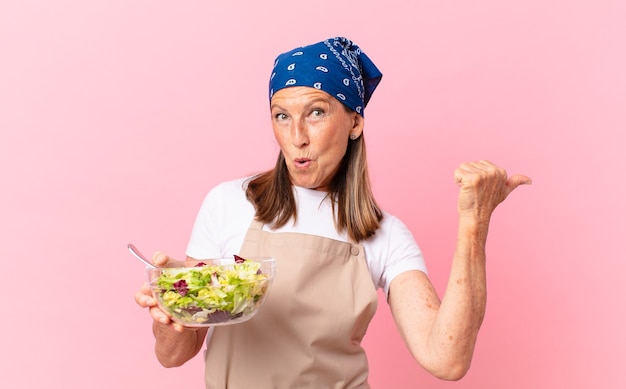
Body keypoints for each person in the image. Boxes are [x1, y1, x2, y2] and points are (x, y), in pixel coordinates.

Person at [135, 36, 531, 388]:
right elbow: (173, 355)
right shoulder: (229, 203)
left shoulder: (385, 234)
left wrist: (474, 224)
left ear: (354, 122)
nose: (297, 137)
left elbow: (447, 359)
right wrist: (172, 310)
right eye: (282, 115)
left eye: (317, 112)